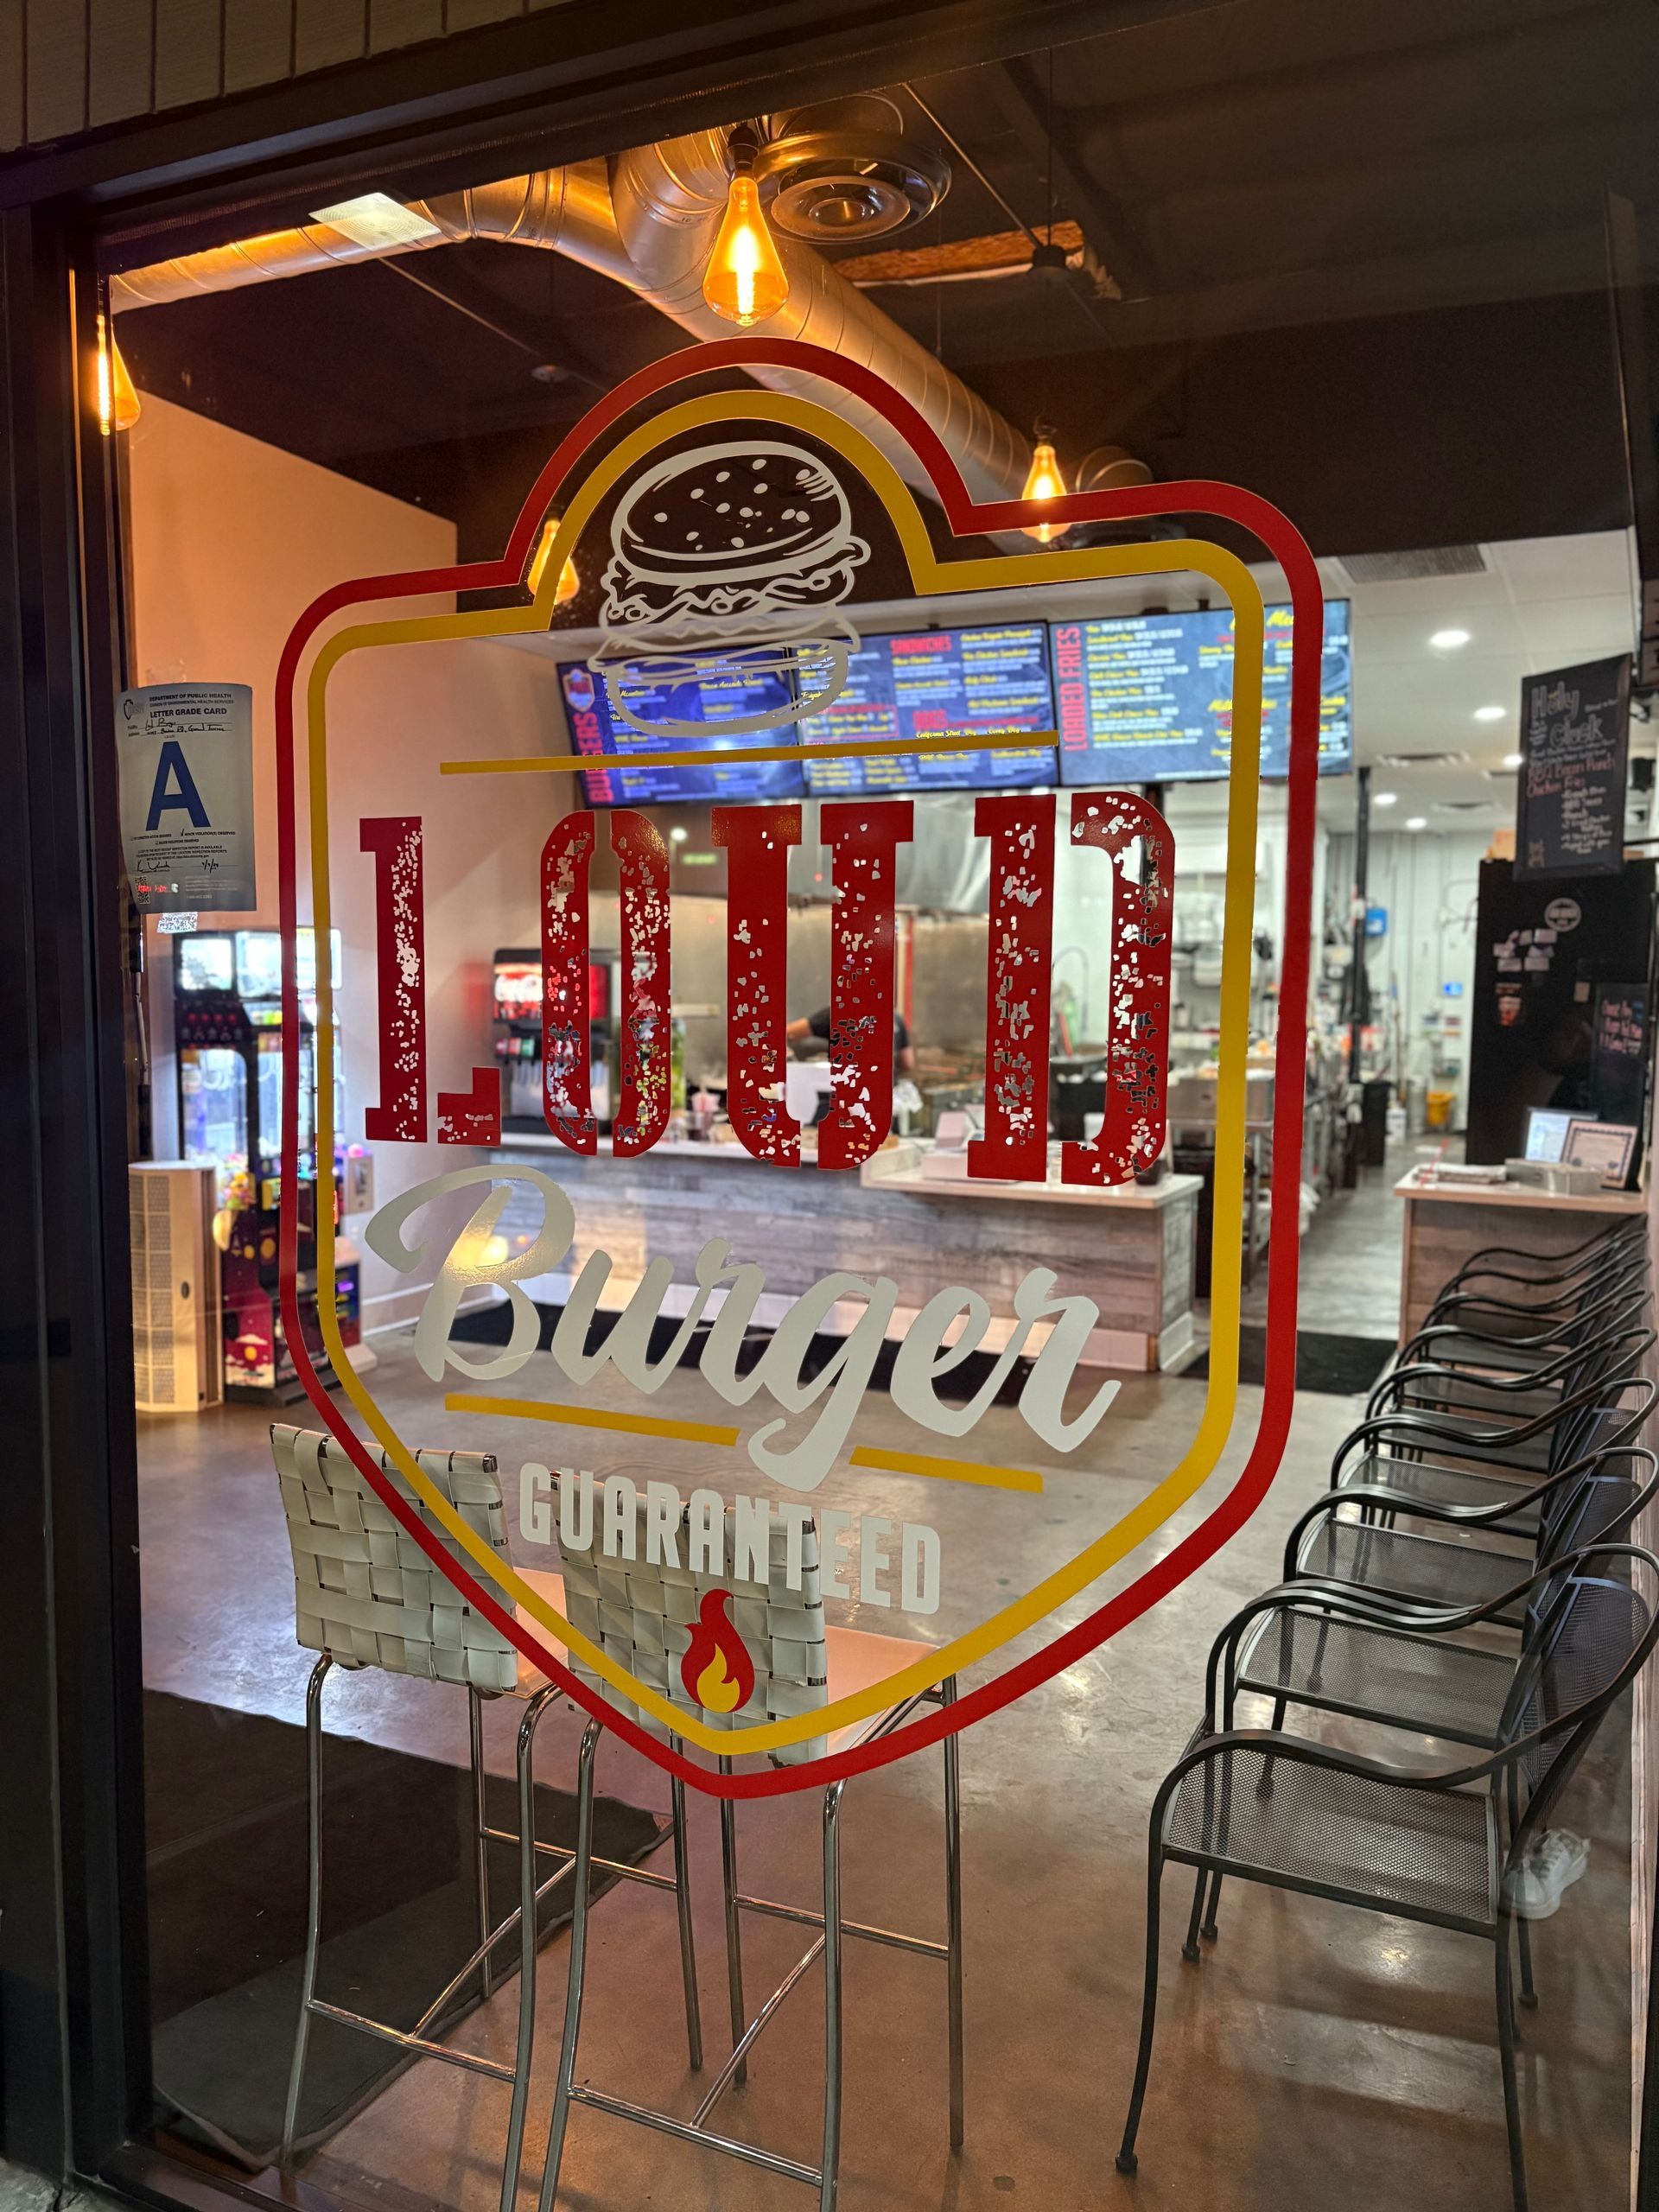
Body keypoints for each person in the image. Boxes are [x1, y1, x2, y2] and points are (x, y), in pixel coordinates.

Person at [786, 1002, 916, 1077]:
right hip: (886, 1099)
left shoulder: (838, 1013)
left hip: (846, 1094)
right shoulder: (894, 1017)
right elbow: (908, 1063)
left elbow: (789, 1033)